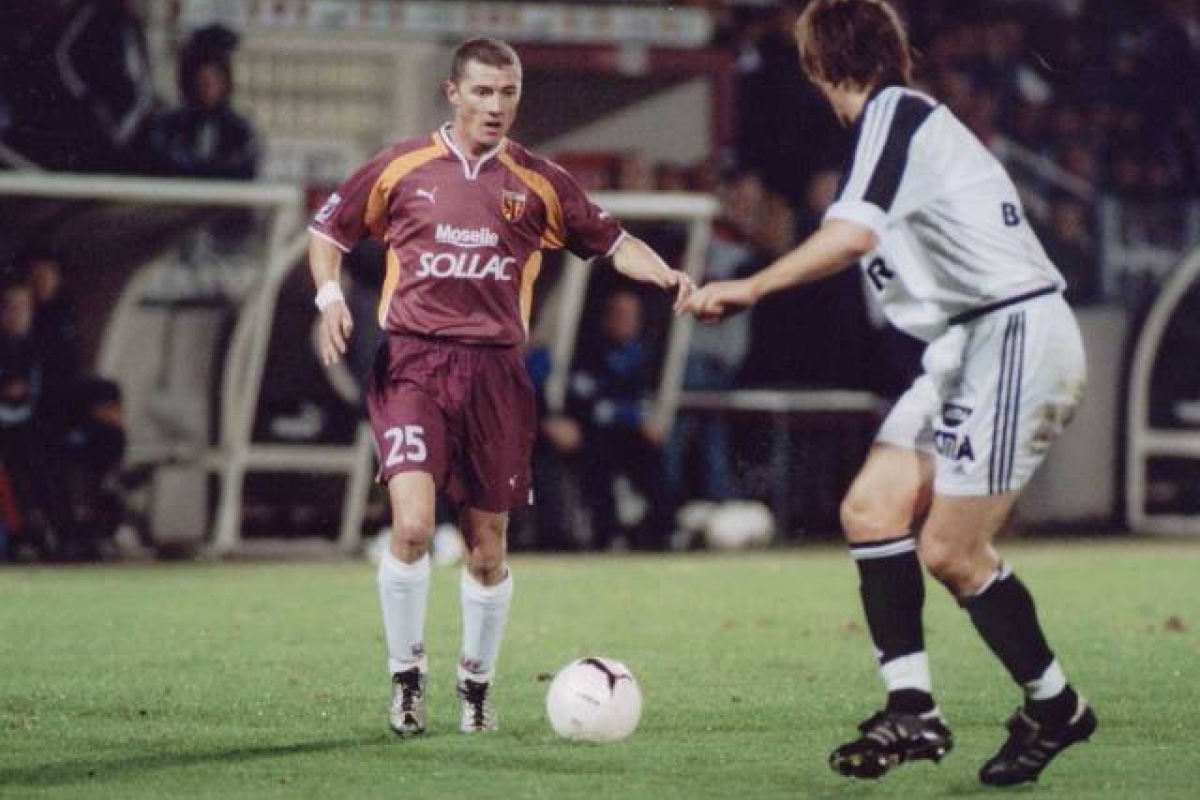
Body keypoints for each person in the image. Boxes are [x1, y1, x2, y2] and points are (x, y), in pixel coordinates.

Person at [685, 0, 1094, 787]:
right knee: (871, 510)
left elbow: (851, 237)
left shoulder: (893, 115)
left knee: (950, 550)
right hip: (966, 347)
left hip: (1011, 333)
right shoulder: (894, 130)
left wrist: (751, 286)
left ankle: (1056, 708)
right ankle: (914, 709)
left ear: (817, 65)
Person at [307, 38, 690, 737]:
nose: (495, 105)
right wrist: (329, 297)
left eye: (507, 92)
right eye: (482, 91)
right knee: (413, 527)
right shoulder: (401, 167)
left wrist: (664, 273)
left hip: (495, 375)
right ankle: (406, 679)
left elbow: (614, 242)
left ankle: (475, 686)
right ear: (453, 93)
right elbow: (328, 232)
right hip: (414, 363)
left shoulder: (539, 182)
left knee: (487, 550)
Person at [568, 289, 672, 551]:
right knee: (597, 462)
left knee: (656, 458)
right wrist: (634, 416)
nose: (627, 322)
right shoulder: (588, 354)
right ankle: (606, 536)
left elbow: (645, 399)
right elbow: (588, 406)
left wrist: (643, 419)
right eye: (621, 315)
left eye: (632, 316)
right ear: (607, 319)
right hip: (598, 435)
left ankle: (662, 533)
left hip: (631, 437)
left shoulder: (644, 356)